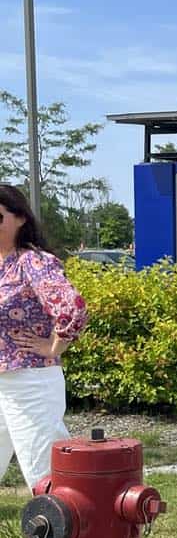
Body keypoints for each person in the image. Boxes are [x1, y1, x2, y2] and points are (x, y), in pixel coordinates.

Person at [0, 184, 87, 488]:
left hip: (29, 379)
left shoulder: (32, 262)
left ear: (21, 218)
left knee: (44, 472)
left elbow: (72, 306)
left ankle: (67, 534)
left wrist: (54, 345)